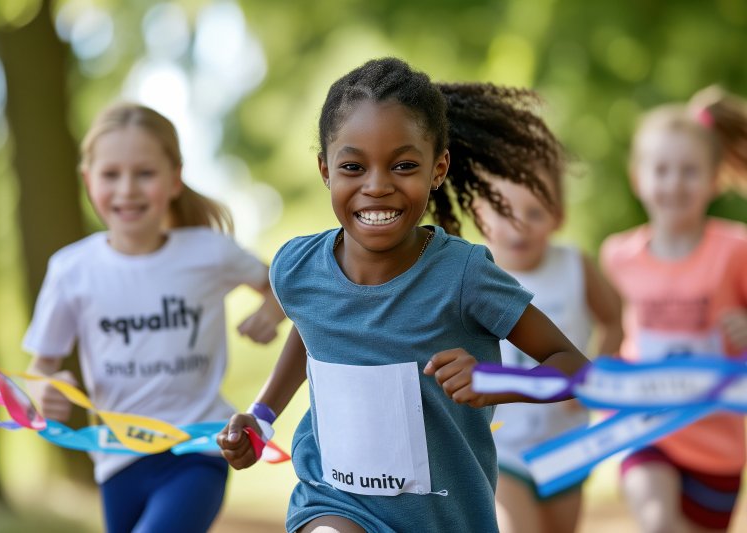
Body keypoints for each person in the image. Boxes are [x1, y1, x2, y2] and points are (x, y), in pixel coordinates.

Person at [216, 57, 590, 533]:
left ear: (438, 169)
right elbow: (311, 333)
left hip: (447, 518)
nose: (377, 186)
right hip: (333, 503)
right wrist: (261, 417)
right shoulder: (297, 267)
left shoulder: (464, 275)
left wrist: (497, 381)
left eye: (404, 165)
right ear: (325, 169)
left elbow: (574, 366)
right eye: (353, 166)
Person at [22, 103, 286, 533]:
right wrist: (44, 390)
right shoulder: (71, 270)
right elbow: (39, 368)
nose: (127, 189)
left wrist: (271, 312)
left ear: (174, 177)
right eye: (111, 175)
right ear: (89, 180)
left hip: (197, 452)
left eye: (144, 173)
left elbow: (283, 286)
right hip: (115, 461)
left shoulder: (208, 252)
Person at [436, 82, 624, 533]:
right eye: (506, 212)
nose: (520, 227)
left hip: (568, 440)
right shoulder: (471, 269)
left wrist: (597, 375)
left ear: (557, 214)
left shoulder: (576, 264)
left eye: (535, 213)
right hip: (503, 443)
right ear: (480, 211)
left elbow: (615, 318)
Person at [600, 86, 747, 533]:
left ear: (713, 179)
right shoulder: (617, 256)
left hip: (719, 441)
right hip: (644, 427)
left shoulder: (735, 250)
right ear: (638, 177)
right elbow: (607, 331)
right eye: (661, 170)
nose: (674, 183)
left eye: (688, 171)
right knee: (658, 523)